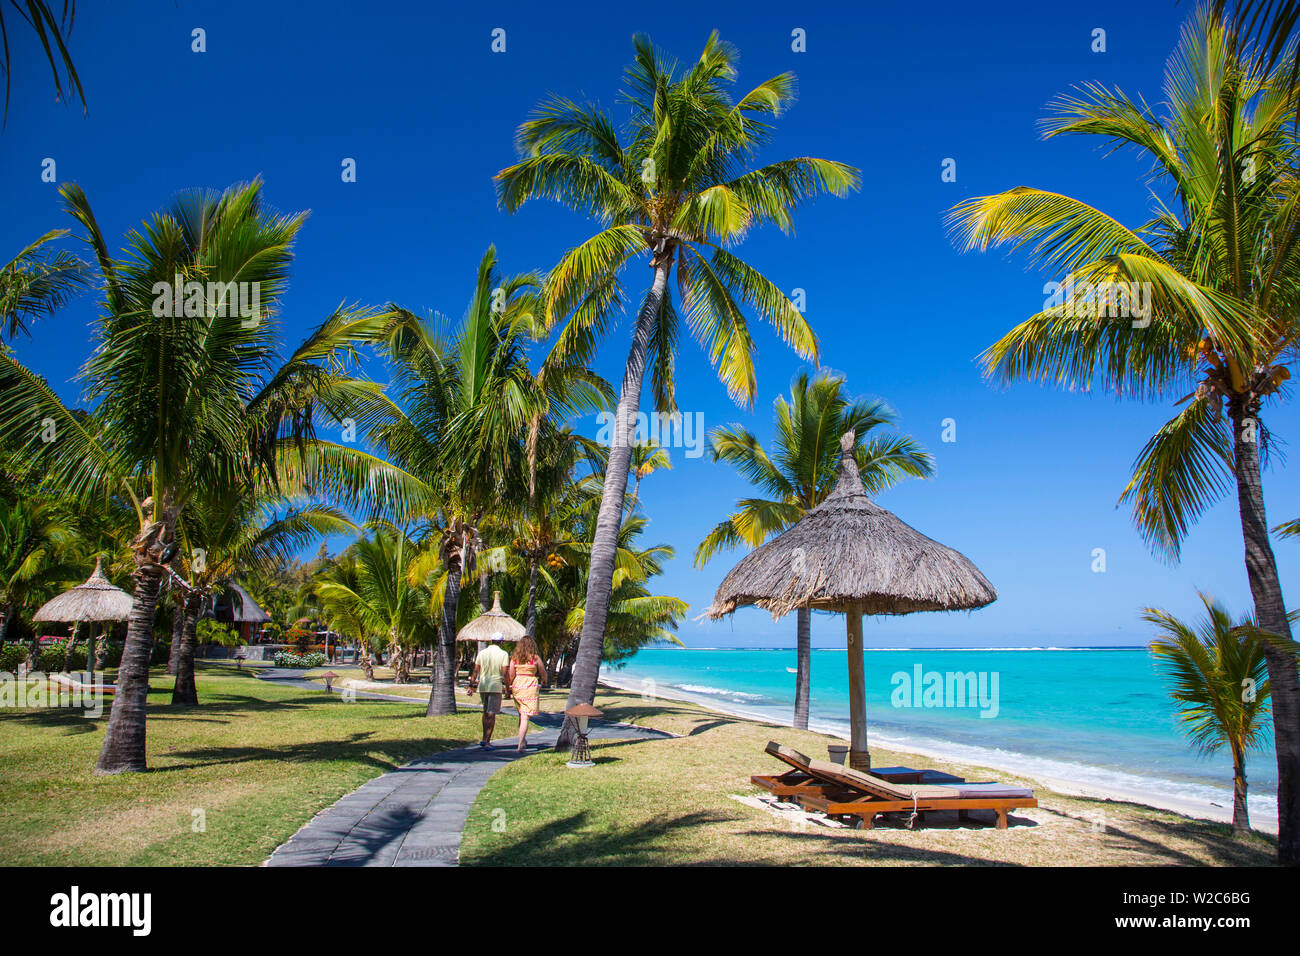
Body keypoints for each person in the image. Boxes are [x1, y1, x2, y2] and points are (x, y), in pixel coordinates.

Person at [506, 635, 547, 752]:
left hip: (518, 684)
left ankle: (522, 740)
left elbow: (511, 675)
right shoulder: (535, 658)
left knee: (521, 713)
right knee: (525, 716)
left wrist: (508, 688)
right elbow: (543, 672)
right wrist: (544, 680)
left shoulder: (514, 658)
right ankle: (521, 743)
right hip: (530, 685)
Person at [469, 637, 510, 749]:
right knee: (492, 713)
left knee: (485, 712)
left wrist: (471, 685)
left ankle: (483, 738)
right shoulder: (503, 654)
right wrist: (507, 688)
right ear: (501, 642)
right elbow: (505, 673)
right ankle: (487, 741)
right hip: (495, 686)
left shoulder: (482, 653)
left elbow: (476, 670)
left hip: (483, 685)